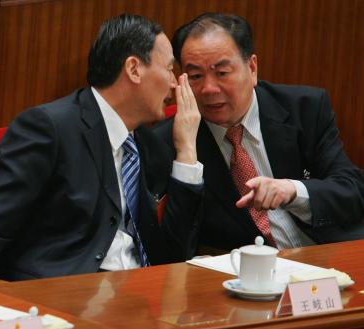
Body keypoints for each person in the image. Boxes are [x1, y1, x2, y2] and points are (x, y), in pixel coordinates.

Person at [0, 14, 205, 285]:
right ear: (134, 69)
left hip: (140, 293)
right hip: (63, 293)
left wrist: (187, 151)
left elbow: (175, 253)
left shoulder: (147, 143)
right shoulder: (49, 128)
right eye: (168, 68)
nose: (175, 83)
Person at [154, 13, 364, 252]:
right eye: (195, 76)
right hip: (245, 278)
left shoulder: (304, 109)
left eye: (222, 73)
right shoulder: (167, 141)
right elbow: (174, 249)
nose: (208, 89)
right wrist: (187, 155)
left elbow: (353, 190)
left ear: (252, 68)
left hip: (326, 257)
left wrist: (293, 191)